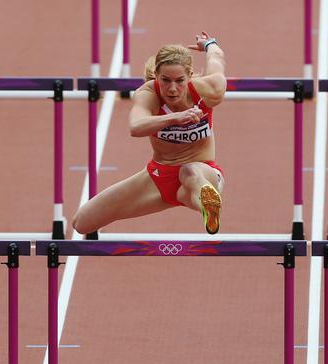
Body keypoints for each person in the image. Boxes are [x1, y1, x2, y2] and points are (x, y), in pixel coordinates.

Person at [73, 31, 227, 236]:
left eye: (180, 81)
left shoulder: (210, 89)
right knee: (82, 222)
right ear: (156, 75)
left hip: (203, 173)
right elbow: (136, 127)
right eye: (165, 80)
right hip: (159, 176)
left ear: (190, 76)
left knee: (189, 172)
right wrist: (175, 118)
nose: (172, 89)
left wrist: (209, 44)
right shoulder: (148, 94)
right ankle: (203, 201)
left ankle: (209, 206)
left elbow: (216, 58)